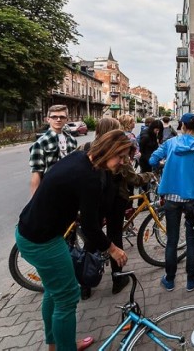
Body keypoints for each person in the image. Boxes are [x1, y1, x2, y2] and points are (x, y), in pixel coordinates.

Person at [15, 130, 131, 351]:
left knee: (54, 291)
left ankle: (56, 345)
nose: (123, 162)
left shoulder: (78, 157)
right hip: (43, 242)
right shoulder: (90, 179)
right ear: (109, 150)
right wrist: (113, 249)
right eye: (121, 156)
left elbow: (61, 192)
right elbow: (90, 227)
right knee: (67, 297)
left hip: (27, 232)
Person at [79, 118, 155, 299]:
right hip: (115, 200)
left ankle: (85, 284)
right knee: (115, 235)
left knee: (91, 238)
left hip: (92, 201)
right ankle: (117, 279)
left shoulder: (86, 147)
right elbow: (133, 178)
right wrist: (149, 175)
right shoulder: (117, 151)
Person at [148, 113, 194, 292]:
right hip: (191, 198)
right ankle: (191, 279)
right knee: (191, 240)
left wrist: (165, 164)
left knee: (172, 240)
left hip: (171, 198)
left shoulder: (170, 143)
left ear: (181, 125)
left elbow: (152, 159)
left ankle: (169, 279)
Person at [29, 105, 78, 196]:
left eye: (62, 117)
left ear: (67, 119)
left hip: (70, 190)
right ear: (48, 119)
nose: (58, 119)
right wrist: (34, 203)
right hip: (50, 191)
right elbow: (36, 174)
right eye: (54, 117)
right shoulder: (40, 143)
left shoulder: (72, 140)